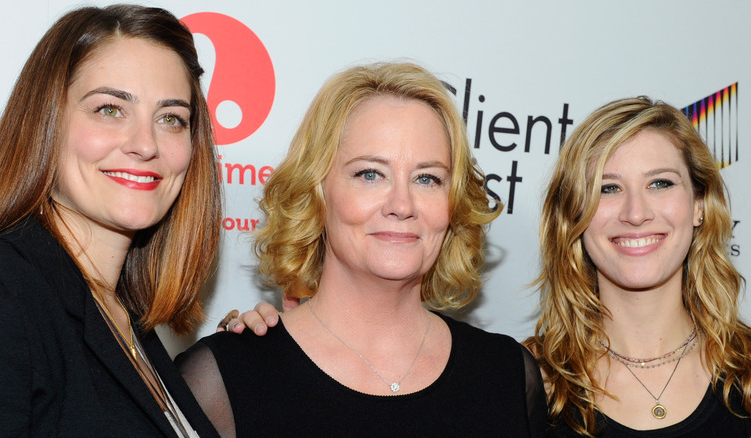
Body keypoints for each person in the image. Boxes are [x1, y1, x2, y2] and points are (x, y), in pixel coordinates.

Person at [176, 61, 547, 437]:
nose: (402, 204)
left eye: (427, 178)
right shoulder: (224, 379)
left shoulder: (508, 375)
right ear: (317, 191)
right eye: (370, 174)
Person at [0, 5, 221, 437]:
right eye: (110, 109)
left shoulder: (126, 320)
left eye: (171, 119)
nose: (146, 145)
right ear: (45, 122)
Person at [523, 96, 751, 437]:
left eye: (660, 183)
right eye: (608, 188)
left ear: (699, 204)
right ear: (575, 215)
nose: (635, 213)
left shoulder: (749, 373)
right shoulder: (528, 380)